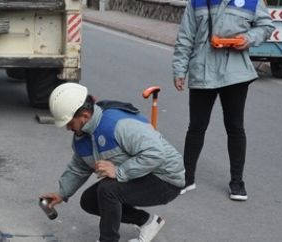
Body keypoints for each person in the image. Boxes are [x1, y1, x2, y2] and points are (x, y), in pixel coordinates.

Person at [172, 0, 274, 201]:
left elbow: (266, 26)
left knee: (235, 128)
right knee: (196, 127)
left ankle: (237, 182)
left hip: (235, 74)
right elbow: (185, 37)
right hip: (202, 72)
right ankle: (187, 177)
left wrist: (247, 40)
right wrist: (179, 69)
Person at [40, 83, 185, 242]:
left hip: (166, 179)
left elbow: (156, 154)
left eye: (69, 123)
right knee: (90, 200)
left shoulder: (118, 125)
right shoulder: (82, 136)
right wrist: (62, 193)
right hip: (142, 173)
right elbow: (79, 167)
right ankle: (148, 222)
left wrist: (119, 172)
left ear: (85, 115)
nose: (68, 128)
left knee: (108, 190)